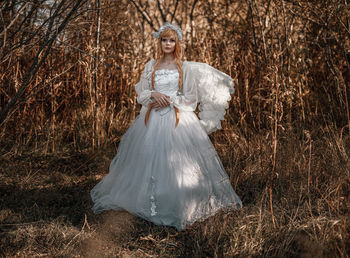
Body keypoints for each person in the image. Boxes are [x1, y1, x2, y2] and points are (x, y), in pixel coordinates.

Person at [90, 22, 242, 231]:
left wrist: (169, 99)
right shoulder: (151, 65)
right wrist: (153, 95)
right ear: (159, 42)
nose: (168, 43)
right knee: (148, 159)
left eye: (171, 40)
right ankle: (146, 200)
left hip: (177, 119)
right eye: (164, 40)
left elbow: (190, 99)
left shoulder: (184, 67)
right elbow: (141, 94)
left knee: (178, 163)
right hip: (152, 119)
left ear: (177, 43)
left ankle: (179, 201)